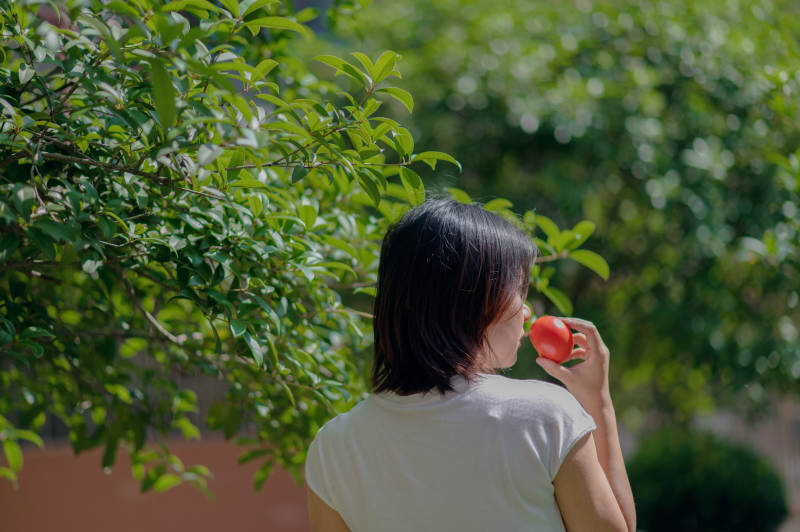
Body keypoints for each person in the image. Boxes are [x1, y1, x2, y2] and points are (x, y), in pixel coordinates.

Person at [304, 198, 636, 532]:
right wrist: (598, 401)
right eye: (519, 290)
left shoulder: (334, 445)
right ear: (474, 299)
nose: (526, 311)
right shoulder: (545, 416)